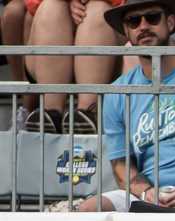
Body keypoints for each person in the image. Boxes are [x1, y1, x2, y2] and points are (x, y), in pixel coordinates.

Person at [76, 0, 175, 210]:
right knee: (87, 210)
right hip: (149, 193)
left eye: (153, 17)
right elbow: (121, 164)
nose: (143, 26)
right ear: (127, 33)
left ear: (171, 23)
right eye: (134, 21)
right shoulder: (118, 92)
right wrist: (146, 192)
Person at [23, 0, 124, 132]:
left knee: (97, 10)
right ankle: (51, 115)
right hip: (43, 57)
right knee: (51, 7)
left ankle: (87, 114)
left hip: (110, 52)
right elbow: (32, 4)